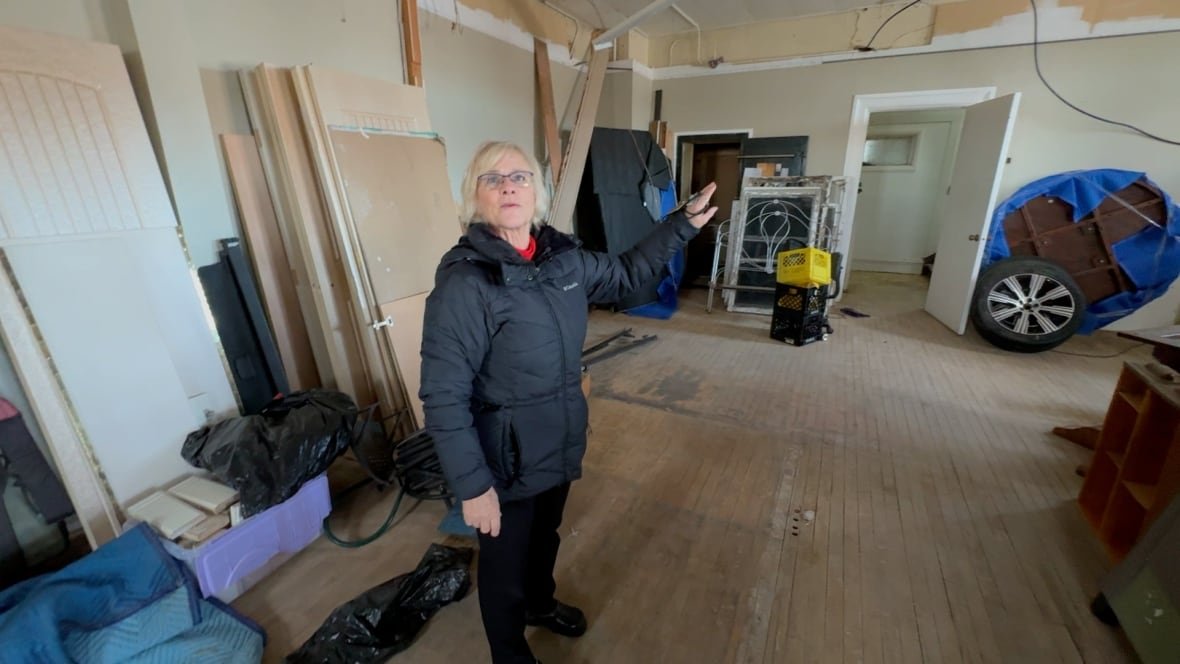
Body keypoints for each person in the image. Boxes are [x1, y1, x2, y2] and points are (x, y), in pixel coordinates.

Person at [419, 140, 717, 664]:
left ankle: (540, 604)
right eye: (492, 178)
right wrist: (472, 486)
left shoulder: (563, 261)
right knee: (504, 564)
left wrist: (682, 224)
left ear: (537, 193)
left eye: (519, 176)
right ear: (475, 197)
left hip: (557, 438)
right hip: (504, 458)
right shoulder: (468, 282)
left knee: (545, 537)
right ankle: (510, 653)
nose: (508, 185)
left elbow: (625, 272)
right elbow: (444, 395)